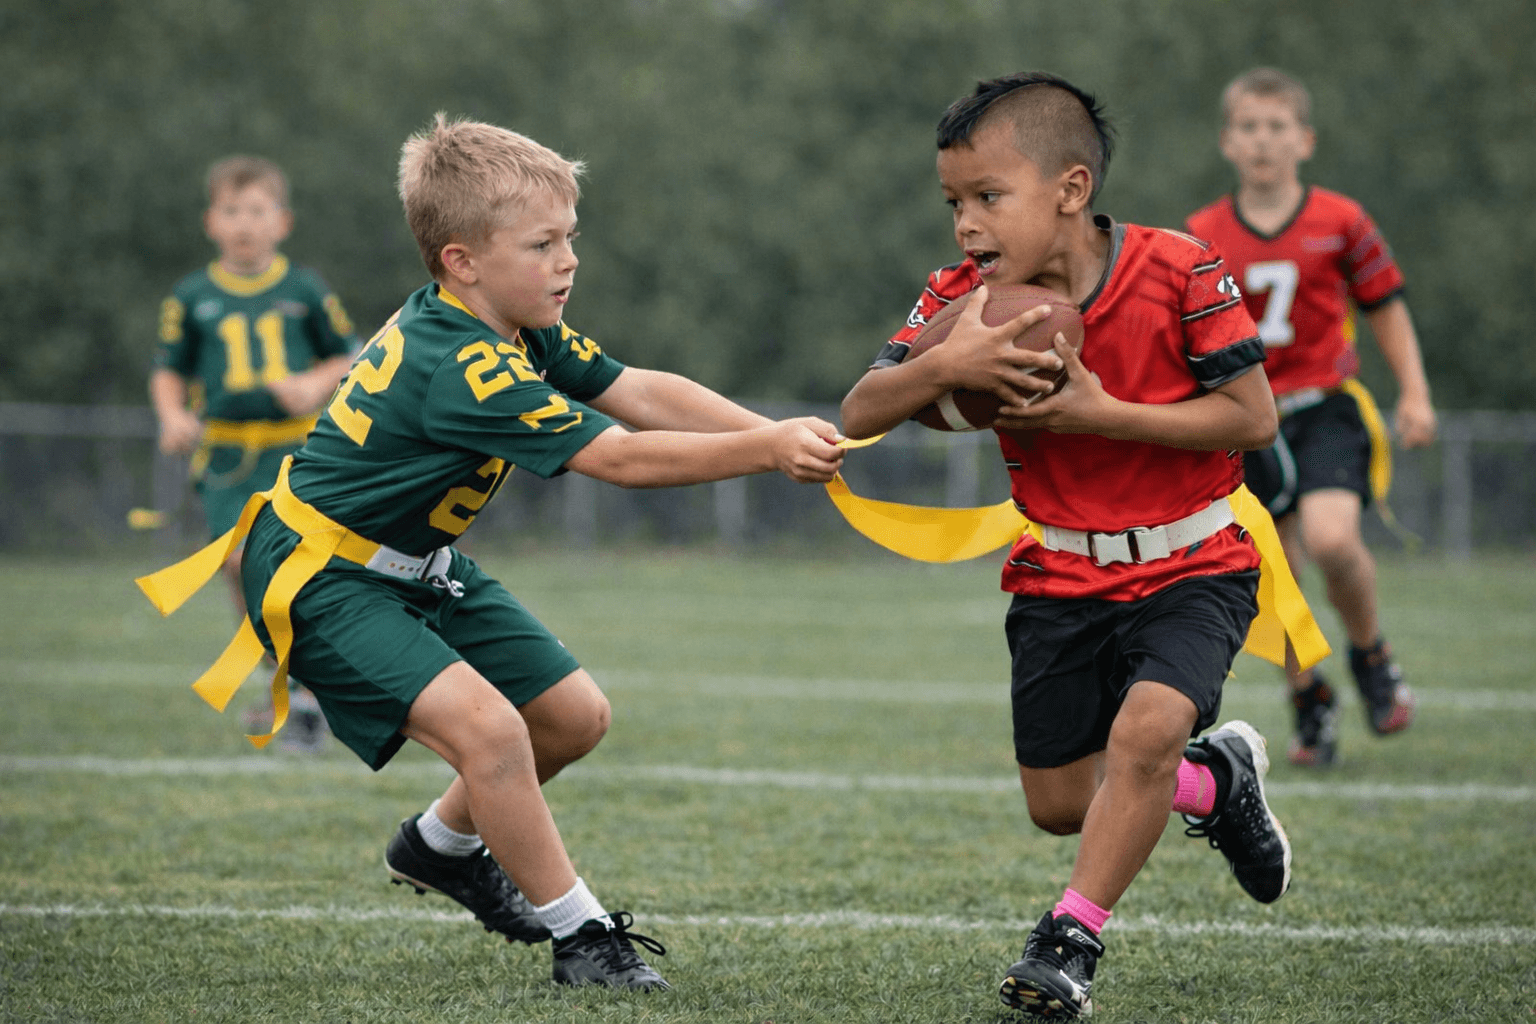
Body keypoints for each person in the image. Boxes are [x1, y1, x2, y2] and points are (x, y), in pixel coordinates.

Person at [138, 114, 844, 991]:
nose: (568, 260)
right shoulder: (464, 362)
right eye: (542, 243)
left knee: (573, 717)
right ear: (462, 261)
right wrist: (768, 454)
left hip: (410, 561)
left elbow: (639, 389)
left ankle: (439, 846)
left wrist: (776, 430)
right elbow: (617, 458)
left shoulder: (513, 323)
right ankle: (583, 938)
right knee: (493, 733)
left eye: (569, 239)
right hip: (325, 573)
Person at [840, 72, 1291, 1020]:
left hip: (1197, 558)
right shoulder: (961, 296)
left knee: (1148, 729)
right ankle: (1217, 785)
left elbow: (1251, 417)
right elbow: (863, 411)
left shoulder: (1181, 268)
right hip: (1059, 570)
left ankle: (1069, 941)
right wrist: (950, 363)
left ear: (1072, 190)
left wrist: (1103, 412)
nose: (966, 223)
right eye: (953, 201)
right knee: (1058, 805)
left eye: (989, 197)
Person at [1186, 67, 1436, 767]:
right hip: (1243, 418)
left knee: (1330, 539)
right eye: (1249, 127)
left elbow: (1385, 304)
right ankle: (1309, 699)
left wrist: (1414, 392)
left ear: (1305, 140)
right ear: (1227, 142)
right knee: (1271, 573)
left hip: (1323, 406)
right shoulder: (1202, 233)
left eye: (1277, 127)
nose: (1263, 141)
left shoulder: (1341, 219)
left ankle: (1370, 655)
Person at [150, 155, 358, 752]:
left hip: (297, 451)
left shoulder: (305, 288)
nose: (244, 223)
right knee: (241, 567)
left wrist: (315, 384)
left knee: (298, 568)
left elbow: (351, 351)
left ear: (282, 222)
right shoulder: (191, 296)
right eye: (231, 211)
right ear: (211, 222)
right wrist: (172, 415)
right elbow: (168, 370)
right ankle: (291, 688)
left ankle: (309, 698)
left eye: (258, 210)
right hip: (225, 461)